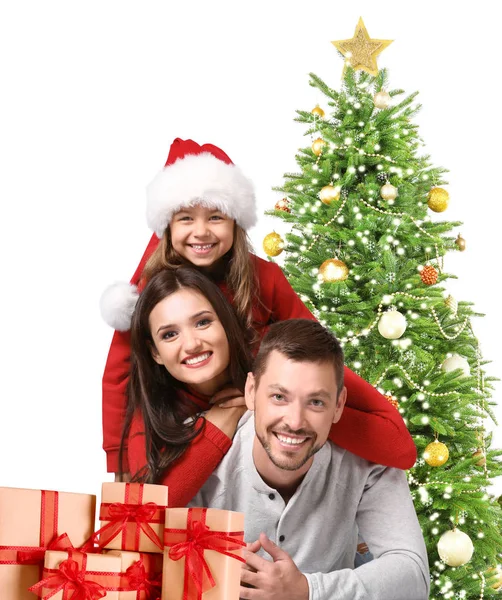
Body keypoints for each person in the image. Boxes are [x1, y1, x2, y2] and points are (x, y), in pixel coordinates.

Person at [100, 137, 417, 504]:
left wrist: (276, 400)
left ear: (236, 222)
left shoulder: (262, 278)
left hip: (261, 389)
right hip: (181, 411)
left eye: (215, 216)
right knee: (137, 500)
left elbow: (312, 342)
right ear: (167, 227)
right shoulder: (152, 292)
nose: (201, 232)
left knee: (371, 425)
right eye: (186, 218)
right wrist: (115, 455)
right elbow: (119, 371)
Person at [188, 319, 430, 600]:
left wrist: (306, 590)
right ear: (251, 391)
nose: (294, 422)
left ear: (338, 406)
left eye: (316, 402)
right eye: (279, 397)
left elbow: (412, 575)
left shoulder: (367, 460)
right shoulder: (197, 451)